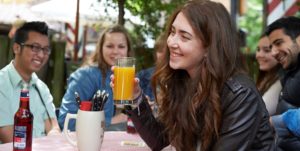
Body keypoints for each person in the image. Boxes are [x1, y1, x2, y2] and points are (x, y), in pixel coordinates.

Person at [112, 0, 275, 150]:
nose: (171, 42)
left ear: (209, 47)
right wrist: (135, 98)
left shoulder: (240, 94)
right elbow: (162, 141)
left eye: (184, 37)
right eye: (173, 32)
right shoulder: (183, 80)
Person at [58, 24, 131, 131]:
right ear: (100, 48)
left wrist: (140, 105)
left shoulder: (127, 75)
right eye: (110, 46)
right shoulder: (85, 75)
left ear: (127, 50)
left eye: (121, 46)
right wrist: (111, 121)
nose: (115, 51)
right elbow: (66, 121)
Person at [0, 21, 60, 143]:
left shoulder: (42, 88)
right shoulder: (2, 83)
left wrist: (54, 138)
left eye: (46, 49)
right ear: (17, 48)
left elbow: (53, 127)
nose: (42, 55)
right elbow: (9, 138)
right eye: (35, 48)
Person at [265, 16, 300, 151]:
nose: (273, 52)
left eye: (279, 43)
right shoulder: (290, 71)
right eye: (271, 47)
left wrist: (276, 122)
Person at [255, 33, 282, 115]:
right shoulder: (265, 76)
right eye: (258, 49)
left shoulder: (280, 82)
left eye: (266, 50)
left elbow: (259, 114)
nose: (259, 55)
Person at [137, 33, 166, 101]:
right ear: (155, 53)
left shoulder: (181, 79)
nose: (163, 56)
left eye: (167, 52)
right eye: (160, 51)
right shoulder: (143, 76)